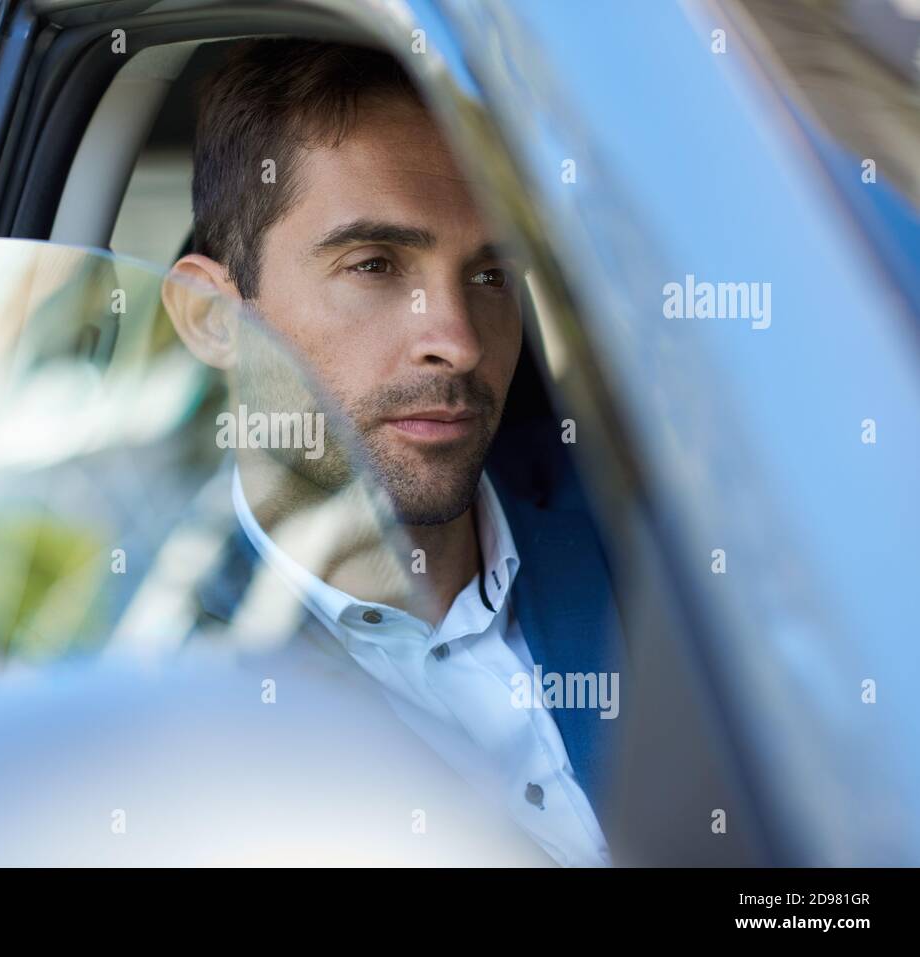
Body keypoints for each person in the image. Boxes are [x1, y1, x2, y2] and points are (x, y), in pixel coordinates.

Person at [163, 39, 625, 867]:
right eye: (374, 264)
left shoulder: (660, 529)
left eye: (490, 275)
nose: (455, 340)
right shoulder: (164, 698)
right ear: (213, 315)